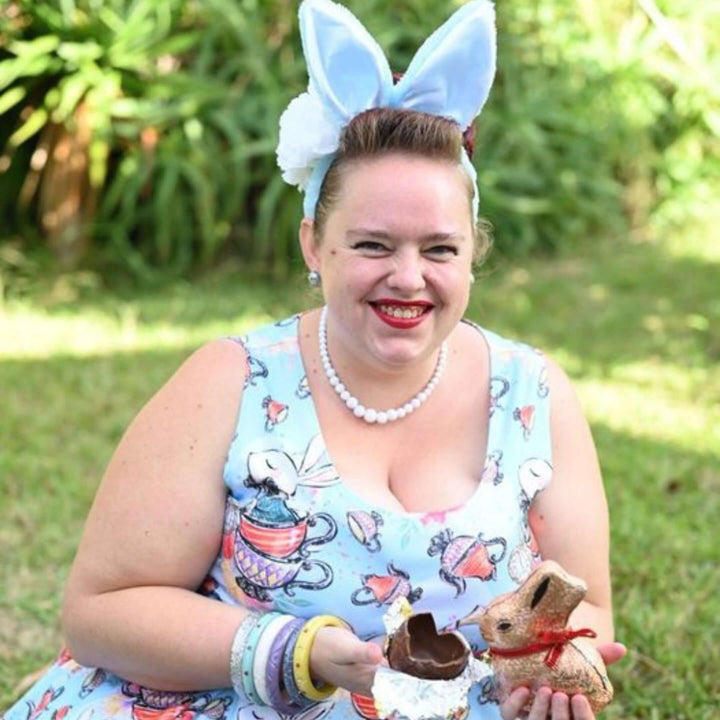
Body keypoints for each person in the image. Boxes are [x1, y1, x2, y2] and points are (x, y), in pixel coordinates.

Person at [2, 2, 625, 720]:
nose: (408, 276)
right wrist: (292, 651)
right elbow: (100, 612)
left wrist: (538, 682)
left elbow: (590, 611)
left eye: (440, 249)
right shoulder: (231, 382)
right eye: (372, 245)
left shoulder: (534, 395)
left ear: (473, 254)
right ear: (312, 244)